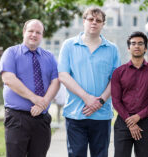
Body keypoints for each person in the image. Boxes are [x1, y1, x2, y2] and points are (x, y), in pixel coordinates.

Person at [57, 7, 121, 157]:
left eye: (98, 20)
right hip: (75, 114)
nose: (94, 23)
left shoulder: (112, 49)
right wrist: (87, 98)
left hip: (102, 114)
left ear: (103, 24)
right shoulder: (69, 45)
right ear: (83, 21)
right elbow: (63, 75)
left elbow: (115, 80)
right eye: (90, 19)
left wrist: (99, 101)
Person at [0, 19, 60, 157]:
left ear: (42, 35)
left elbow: (56, 81)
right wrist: (35, 98)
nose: (34, 34)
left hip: (42, 119)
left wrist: (43, 103)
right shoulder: (11, 53)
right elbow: (8, 79)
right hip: (17, 118)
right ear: (24, 32)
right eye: (31, 31)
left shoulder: (49, 57)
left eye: (38, 32)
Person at [111, 31, 148, 157]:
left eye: (140, 44)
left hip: (145, 123)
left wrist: (138, 117)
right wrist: (130, 121)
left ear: (145, 48)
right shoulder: (118, 72)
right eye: (133, 43)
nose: (137, 46)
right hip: (123, 122)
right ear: (129, 48)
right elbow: (116, 100)